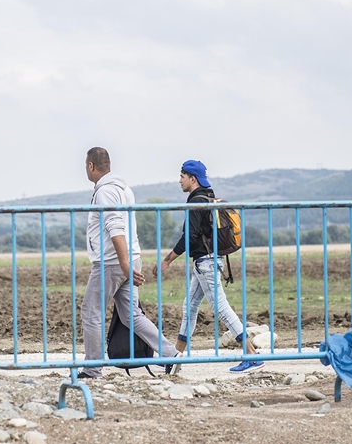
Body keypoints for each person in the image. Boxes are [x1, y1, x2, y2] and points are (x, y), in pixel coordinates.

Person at [153, 159, 264, 374]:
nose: (179, 181)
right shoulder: (208, 197)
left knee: (221, 308)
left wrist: (167, 259)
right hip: (206, 262)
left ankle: (251, 355)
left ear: (192, 178)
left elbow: (190, 236)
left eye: (182, 176)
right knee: (190, 308)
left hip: (206, 263)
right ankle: (175, 359)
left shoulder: (196, 201)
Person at [78, 147, 179, 378]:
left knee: (91, 312)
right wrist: (128, 264)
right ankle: (170, 355)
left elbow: (116, 228)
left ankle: (92, 369)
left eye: (86, 166)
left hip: (112, 262)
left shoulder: (105, 193)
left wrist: (123, 264)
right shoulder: (125, 190)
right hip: (131, 258)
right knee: (131, 315)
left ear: (91, 166)